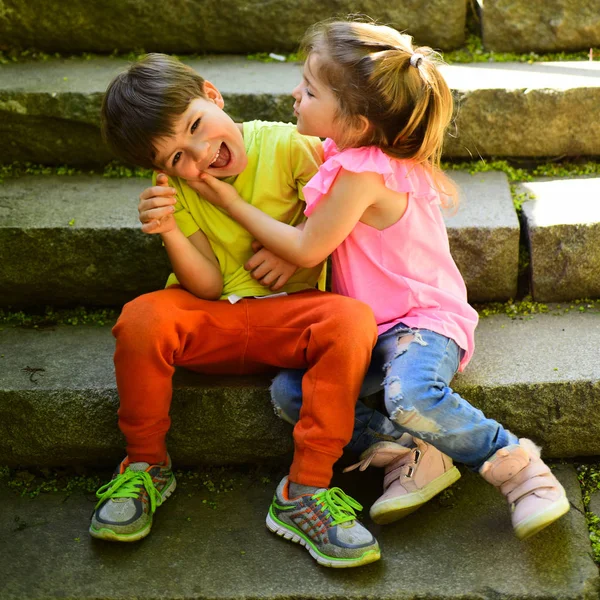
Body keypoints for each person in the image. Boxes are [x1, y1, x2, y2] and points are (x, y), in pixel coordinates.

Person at [186, 19, 571, 540]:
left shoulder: (364, 171)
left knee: (409, 394)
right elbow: (315, 226)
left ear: (358, 122)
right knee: (290, 394)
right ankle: (413, 450)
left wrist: (229, 201)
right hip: (366, 329)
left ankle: (520, 470)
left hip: (420, 321)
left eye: (311, 89)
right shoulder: (341, 156)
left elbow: (308, 247)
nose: (295, 95)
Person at [91, 52, 387, 568]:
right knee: (141, 317)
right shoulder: (180, 190)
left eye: (197, 128)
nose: (201, 155)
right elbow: (204, 284)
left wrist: (296, 246)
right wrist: (169, 234)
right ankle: (145, 465)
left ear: (212, 94)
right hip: (215, 320)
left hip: (293, 314)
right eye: (177, 157)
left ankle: (306, 491)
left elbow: (336, 215)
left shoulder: (289, 145)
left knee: (352, 321)